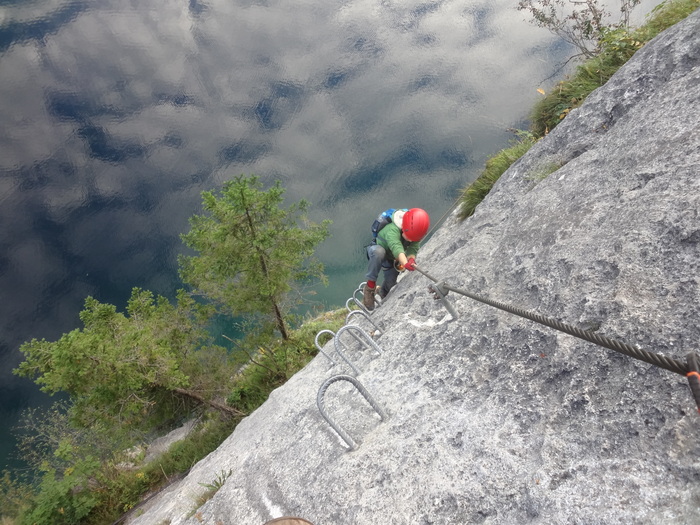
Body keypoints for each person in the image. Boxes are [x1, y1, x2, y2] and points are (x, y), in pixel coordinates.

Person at [363, 208, 430, 310]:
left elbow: (413, 247)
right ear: (404, 227)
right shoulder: (392, 229)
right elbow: (396, 247)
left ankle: (382, 292)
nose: (411, 240)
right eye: (409, 237)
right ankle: (369, 287)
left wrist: (411, 259)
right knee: (378, 253)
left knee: (391, 285)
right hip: (379, 251)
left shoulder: (416, 229)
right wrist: (405, 263)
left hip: (393, 258)